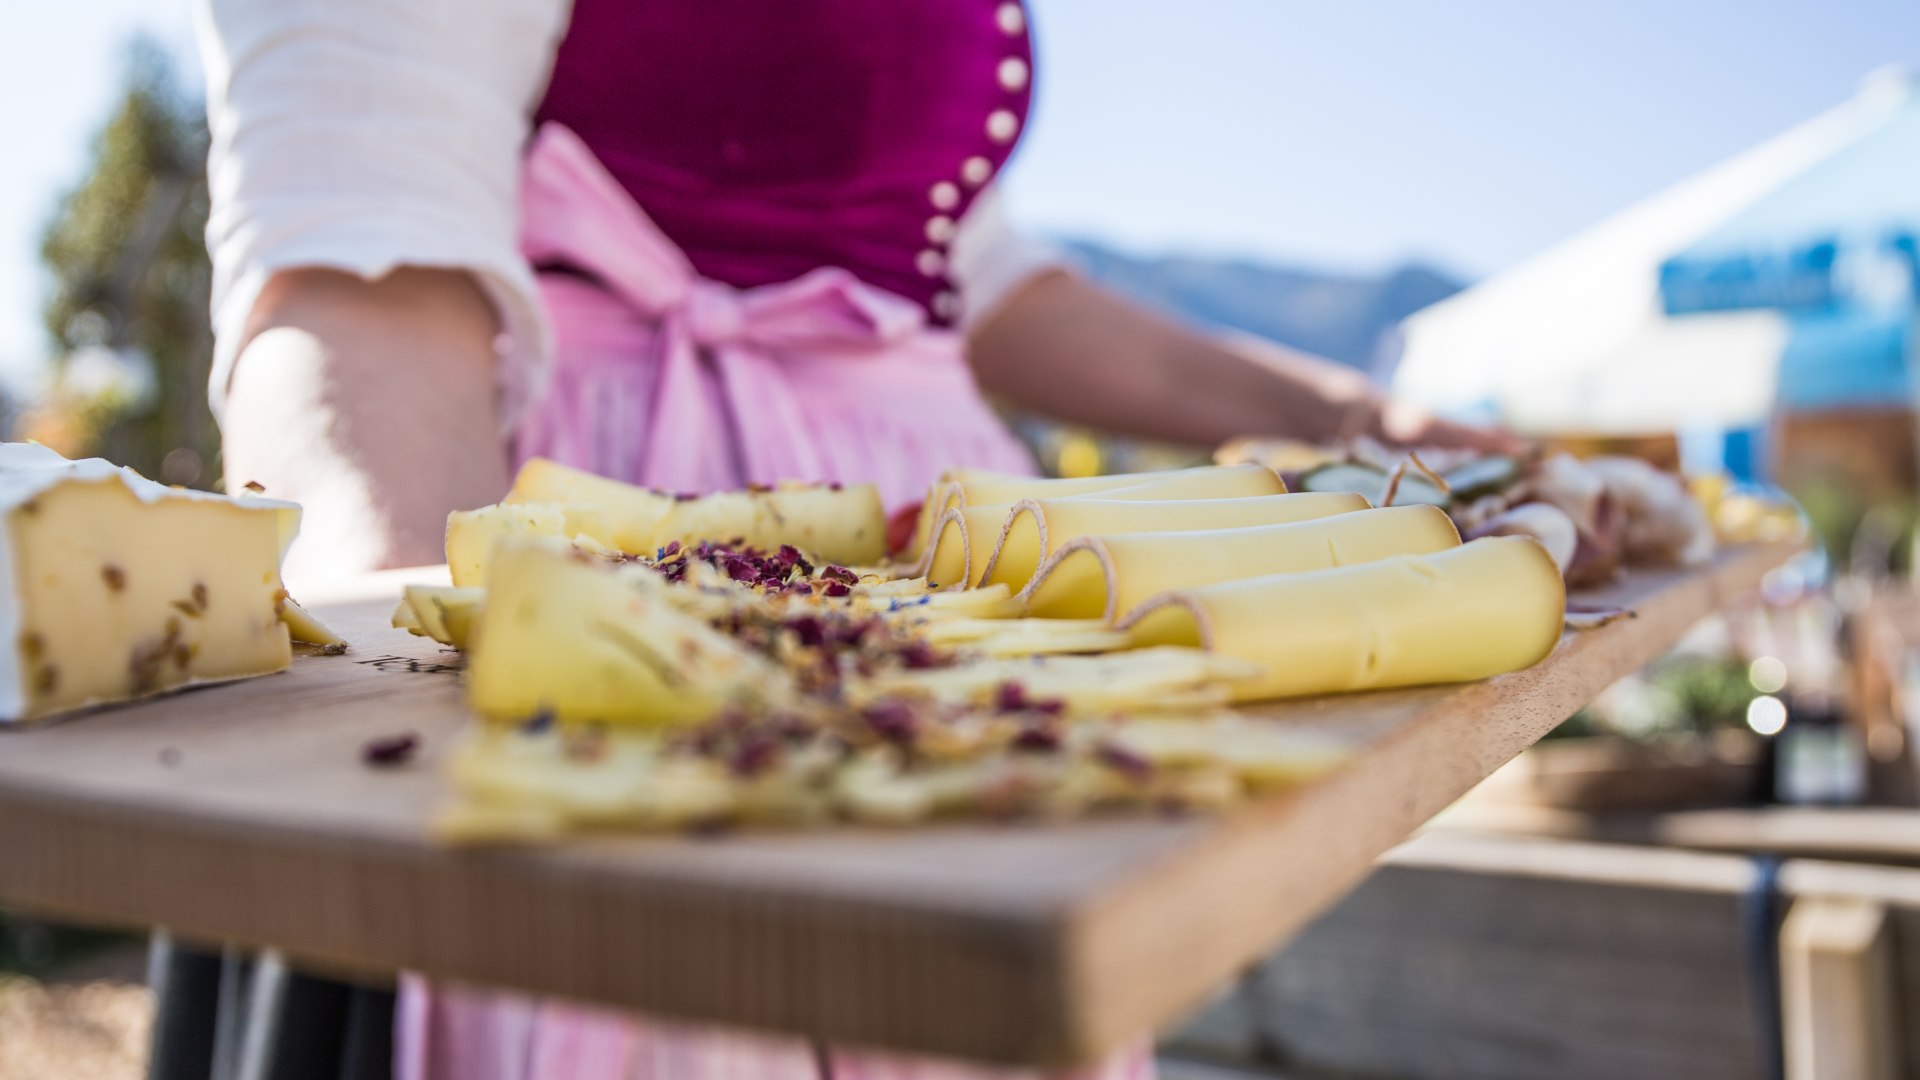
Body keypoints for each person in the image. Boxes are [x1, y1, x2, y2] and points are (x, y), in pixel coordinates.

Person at [196, 1, 1515, 1076]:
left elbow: (965, 271)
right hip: (611, 522)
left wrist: (1356, 415)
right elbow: (363, 249)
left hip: (927, 577)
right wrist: (424, 662)